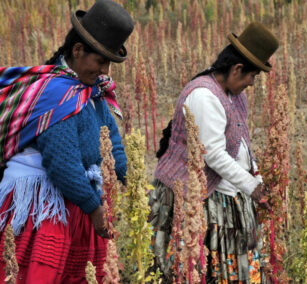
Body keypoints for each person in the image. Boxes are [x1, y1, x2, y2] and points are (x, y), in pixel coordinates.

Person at [0, 0, 133, 282]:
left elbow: (113, 143)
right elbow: (62, 163)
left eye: (109, 63)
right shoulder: (58, 94)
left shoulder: (93, 94)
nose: (105, 71)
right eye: (101, 61)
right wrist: (94, 206)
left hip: (79, 197)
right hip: (42, 203)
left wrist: (126, 186)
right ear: (77, 51)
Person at [150, 22, 279, 283]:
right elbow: (213, 155)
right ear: (237, 69)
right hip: (195, 194)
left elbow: (241, 144)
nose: (253, 83)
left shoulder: (233, 94)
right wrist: (251, 186)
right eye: (252, 76)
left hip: (225, 192)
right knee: (197, 268)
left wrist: (257, 178)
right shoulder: (204, 97)